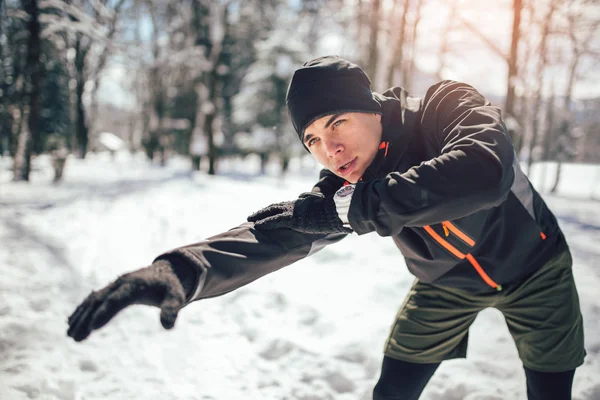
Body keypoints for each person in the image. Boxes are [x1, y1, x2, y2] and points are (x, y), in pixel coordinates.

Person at [67, 56, 585, 399]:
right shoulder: (345, 184)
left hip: (537, 268)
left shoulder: (445, 108)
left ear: (371, 107)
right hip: (443, 286)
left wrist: (358, 206)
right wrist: (181, 269)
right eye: (311, 139)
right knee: (393, 391)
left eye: (336, 122)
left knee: (550, 391)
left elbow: (485, 171)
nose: (329, 149)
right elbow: (279, 233)